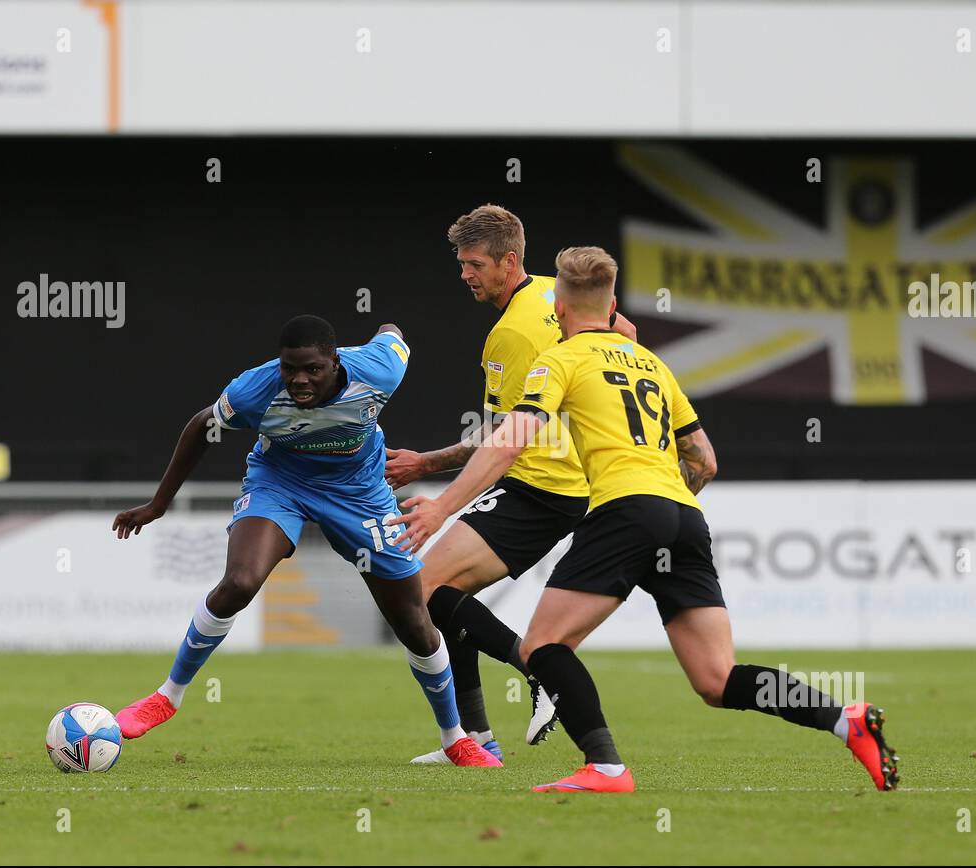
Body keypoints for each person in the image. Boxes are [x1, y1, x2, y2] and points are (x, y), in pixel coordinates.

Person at [389, 248, 899, 792]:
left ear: (559, 307)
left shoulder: (559, 360)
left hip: (624, 511)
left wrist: (442, 506)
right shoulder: (653, 364)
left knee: (542, 648)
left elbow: (508, 443)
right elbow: (704, 459)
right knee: (716, 678)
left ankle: (606, 767)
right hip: (684, 516)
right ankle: (845, 721)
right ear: (612, 306)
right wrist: (664, 501)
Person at [110, 314, 500, 767]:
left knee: (413, 619)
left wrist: (388, 329)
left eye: (312, 369)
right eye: (289, 368)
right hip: (281, 484)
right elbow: (201, 426)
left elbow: (393, 334)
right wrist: (159, 504)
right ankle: (167, 698)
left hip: (361, 493)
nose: (299, 380)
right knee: (240, 581)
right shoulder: (253, 390)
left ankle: (454, 738)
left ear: (335, 362)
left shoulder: (379, 370)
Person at [384, 204, 637, 764]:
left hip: (539, 486)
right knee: (444, 597)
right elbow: (625, 331)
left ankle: (536, 667)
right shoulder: (557, 291)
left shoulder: (512, 335)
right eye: (462, 264)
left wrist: (433, 476)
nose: (465, 274)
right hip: (569, 481)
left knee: (418, 590)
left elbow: (508, 435)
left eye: (475, 264)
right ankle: (476, 739)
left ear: (509, 261)